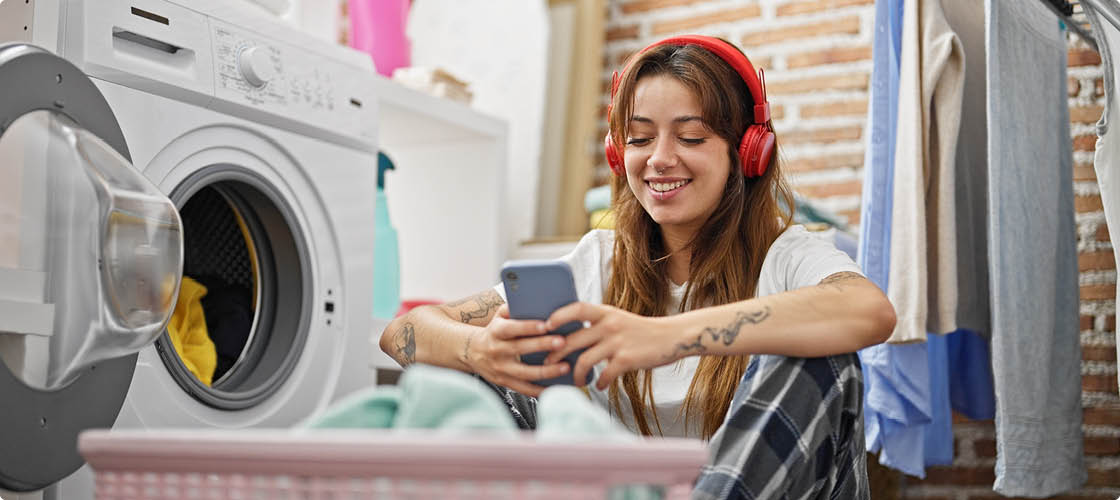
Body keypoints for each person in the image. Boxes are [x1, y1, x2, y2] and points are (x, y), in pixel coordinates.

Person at [379, 35, 894, 498]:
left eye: (690, 138)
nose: (659, 159)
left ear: (747, 153)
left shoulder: (787, 256)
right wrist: (481, 352)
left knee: (819, 357)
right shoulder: (598, 261)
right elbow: (403, 332)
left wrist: (664, 336)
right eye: (640, 138)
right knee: (464, 373)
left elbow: (870, 311)